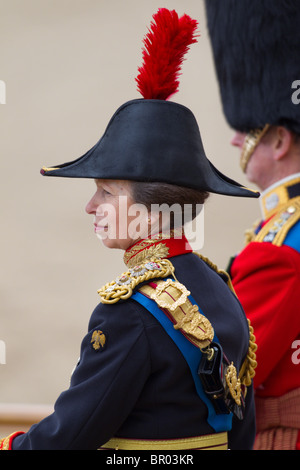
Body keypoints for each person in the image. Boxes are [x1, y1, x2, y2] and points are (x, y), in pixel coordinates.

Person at [0, 8, 258, 451]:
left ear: (154, 213)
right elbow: (242, 432)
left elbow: (70, 436)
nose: (90, 206)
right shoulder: (219, 287)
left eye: (105, 192)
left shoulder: (129, 313)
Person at [205, 0, 300, 450]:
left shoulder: (283, 242)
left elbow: (225, 377)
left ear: (280, 139)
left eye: (249, 128)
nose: (235, 138)